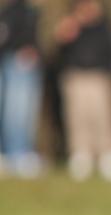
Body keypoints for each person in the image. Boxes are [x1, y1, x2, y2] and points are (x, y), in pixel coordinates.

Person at [54, 0, 111, 182]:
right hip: (76, 76)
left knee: (103, 118)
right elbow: (60, 49)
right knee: (77, 117)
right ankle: (81, 156)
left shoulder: (105, 26)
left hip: (99, 77)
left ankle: (109, 156)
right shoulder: (70, 25)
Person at [0, 0, 43, 178]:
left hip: (24, 66)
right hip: (12, 64)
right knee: (14, 112)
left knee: (22, 113)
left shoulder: (29, 11)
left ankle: (20, 152)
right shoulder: (10, 12)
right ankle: (13, 154)